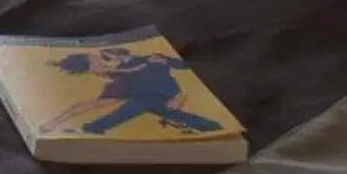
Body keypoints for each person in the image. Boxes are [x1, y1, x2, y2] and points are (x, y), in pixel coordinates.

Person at [35, 45, 225, 137]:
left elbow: (179, 67)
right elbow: (108, 69)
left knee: (134, 109)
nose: (109, 58)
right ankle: (210, 126)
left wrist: (165, 62)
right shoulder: (103, 61)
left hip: (144, 91)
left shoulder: (150, 60)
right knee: (158, 109)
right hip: (130, 89)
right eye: (108, 56)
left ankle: (91, 128)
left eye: (112, 56)